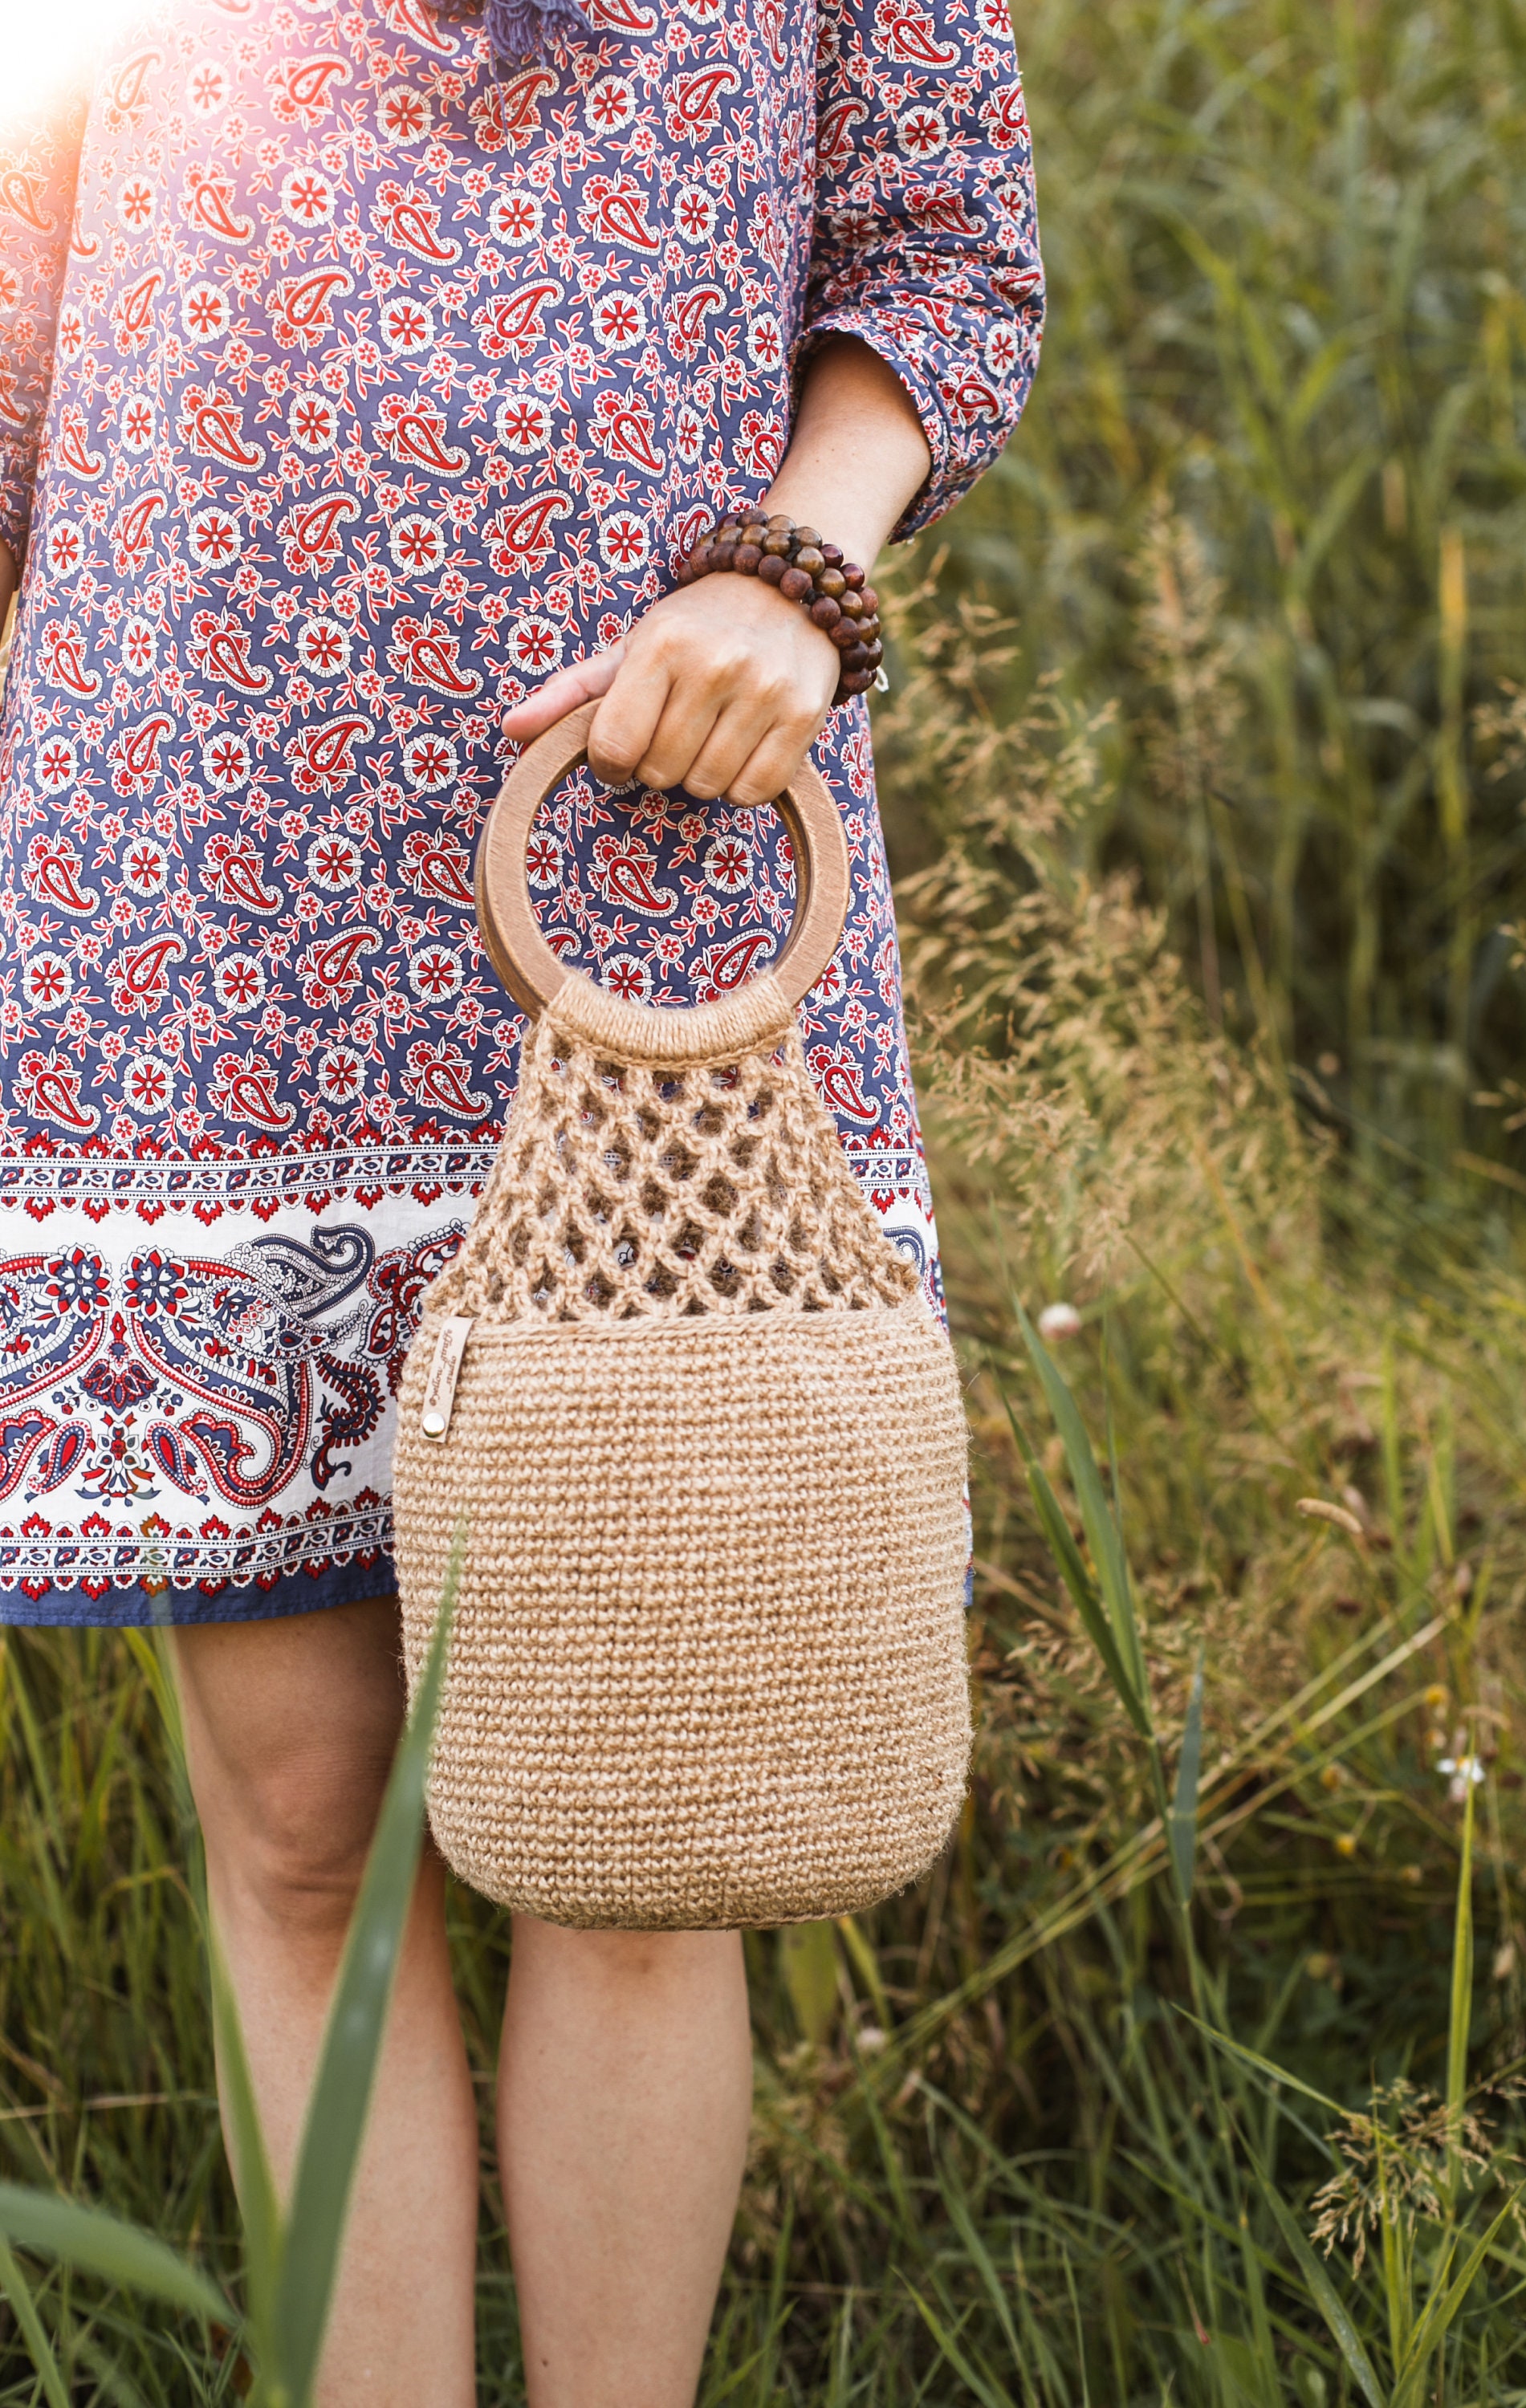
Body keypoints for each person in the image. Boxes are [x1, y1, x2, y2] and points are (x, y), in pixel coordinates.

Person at [0, 0, 1040, 2396]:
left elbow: (949, 251)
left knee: (635, 1814)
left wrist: (798, 574)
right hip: (191, 901)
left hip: (646, 865)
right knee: (299, 1835)